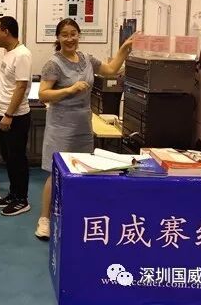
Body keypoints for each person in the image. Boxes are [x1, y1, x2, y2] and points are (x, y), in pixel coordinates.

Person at [34, 18, 134, 240]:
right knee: (55, 172)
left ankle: (76, 215)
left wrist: (124, 50)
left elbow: (110, 70)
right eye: (65, 35)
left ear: (79, 35)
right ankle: (44, 219)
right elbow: (43, 94)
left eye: (73, 34)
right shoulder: (53, 63)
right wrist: (69, 90)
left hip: (82, 123)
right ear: (58, 38)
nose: (70, 39)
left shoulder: (87, 58)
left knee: (82, 170)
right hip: (61, 125)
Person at [0, 16, 33, 216]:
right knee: (8, 157)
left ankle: (22, 199)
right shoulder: (9, 53)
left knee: (17, 159)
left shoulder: (22, 54)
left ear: (6, 31)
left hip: (15, 116)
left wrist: (9, 114)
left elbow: (21, 87)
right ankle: (13, 194)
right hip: (2, 113)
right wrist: (1, 112)